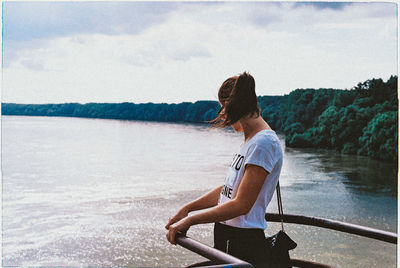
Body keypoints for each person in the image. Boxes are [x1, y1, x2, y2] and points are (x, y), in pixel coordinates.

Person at [165, 72, 283, 268]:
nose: (223, 114)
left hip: (242, 241)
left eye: (224, 107)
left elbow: (241, 204)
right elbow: (229, 191)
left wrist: (190, 221)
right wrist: (187, 209)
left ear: (236, 106)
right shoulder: (252, 141)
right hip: (229, 237)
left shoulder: (264, 143)